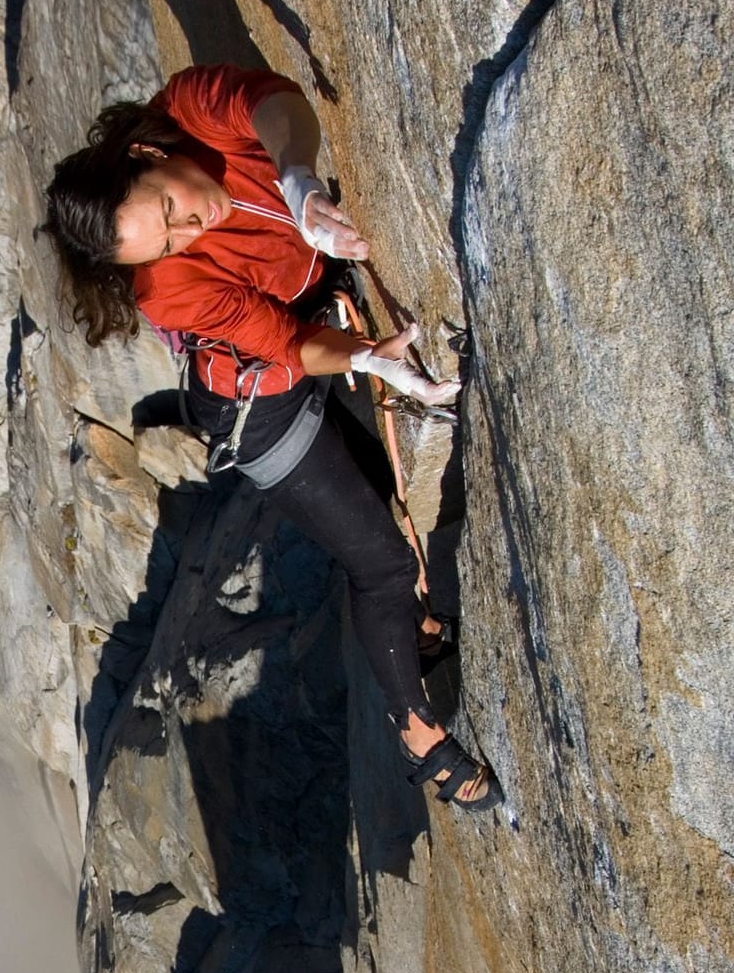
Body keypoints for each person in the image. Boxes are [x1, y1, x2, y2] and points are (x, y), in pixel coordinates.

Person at [43, 63, 498, 810]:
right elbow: (281, 342)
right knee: (381, 562)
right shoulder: (172, 285)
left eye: (169, 207)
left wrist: (297, 181)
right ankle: (420, 737)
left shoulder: (189, 111)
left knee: (382, 499)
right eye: (165, 242)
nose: (190, 230)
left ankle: (412, 633)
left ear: (148, 155)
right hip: (257, 410)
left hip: (303, 325)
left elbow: (273, 102)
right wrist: (364, 356)